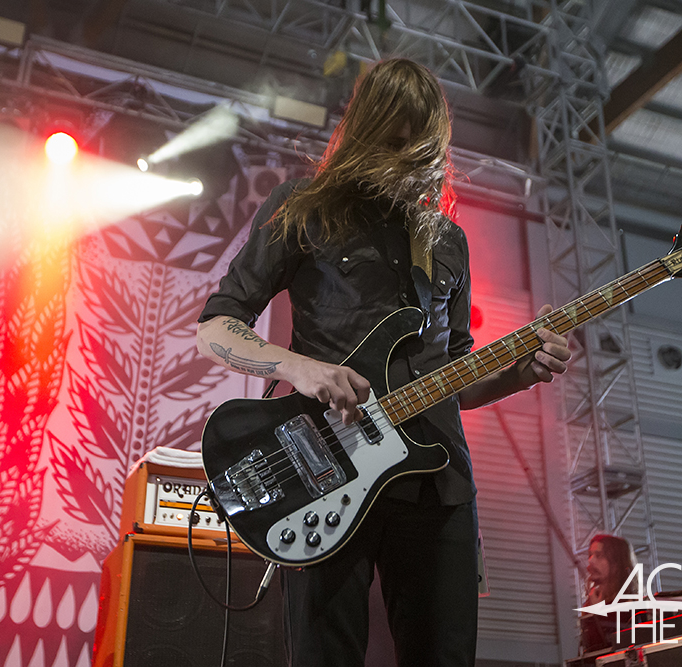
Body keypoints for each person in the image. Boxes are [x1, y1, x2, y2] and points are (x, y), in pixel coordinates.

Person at [196, 58, 571, 667]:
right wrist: (301, 369)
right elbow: (216, 328)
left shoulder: (447, 240)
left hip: (437, 483)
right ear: (368, 132)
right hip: (327, 467)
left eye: (421, 146)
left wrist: (521, 374)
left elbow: (456, 375)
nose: (410, 160)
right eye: (396, 142)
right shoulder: (304, 207)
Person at [580, 534, 637, 654]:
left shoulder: (633, 609)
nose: (591, 561)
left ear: (616, 565)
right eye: (590, 555)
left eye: (599, 556)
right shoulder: (591, 604)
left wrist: (598, 614)